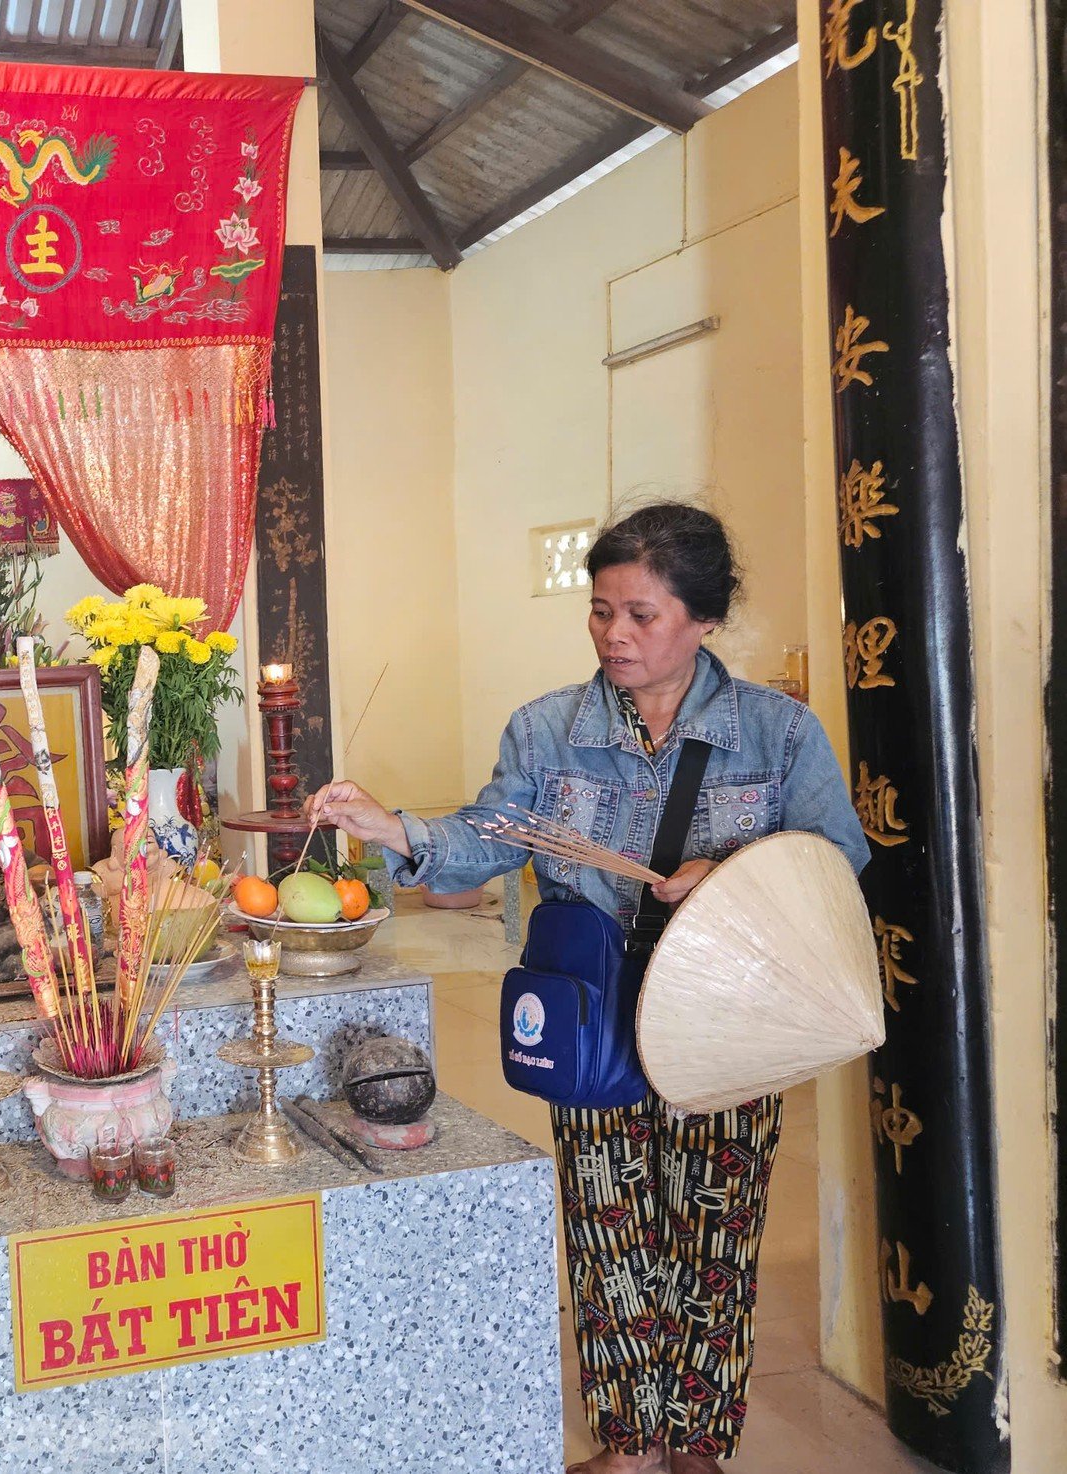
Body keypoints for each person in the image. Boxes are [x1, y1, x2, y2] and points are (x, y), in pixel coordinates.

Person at [306, 502, 867, 1474]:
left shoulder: (777, 734)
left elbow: (834, 855)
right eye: (601, 610)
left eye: (641, 614)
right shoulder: (547, 728)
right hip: (591, 1004)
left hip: (727, 1011)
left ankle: (696, 1441)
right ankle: (633, 1440)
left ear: (701, 617)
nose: (615, 633)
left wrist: (733, 868)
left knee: (713, 1227)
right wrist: (392, 827)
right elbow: (492, 834)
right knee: (608, 1222)